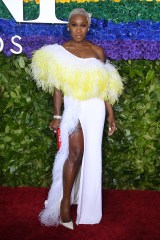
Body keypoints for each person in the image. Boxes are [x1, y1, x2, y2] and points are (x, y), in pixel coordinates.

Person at [31, 8, 123, 230]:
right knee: (74, 152)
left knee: (92, 154)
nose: (78, 29)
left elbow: (105, 87)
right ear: (68, 26)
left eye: (82, 25)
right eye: (74, 25)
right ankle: (64, 203)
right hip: (74, 106)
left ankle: (88, 209)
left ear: (88, 27)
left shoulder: (97, 51)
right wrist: (57, 115)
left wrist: (110, 114)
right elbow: (57, 89)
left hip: (95, 108)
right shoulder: (60, 51)